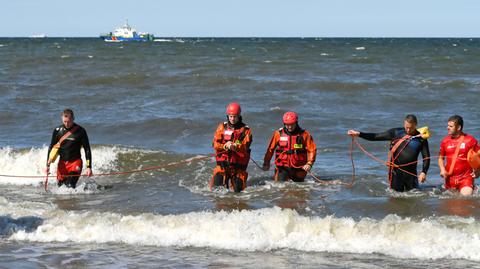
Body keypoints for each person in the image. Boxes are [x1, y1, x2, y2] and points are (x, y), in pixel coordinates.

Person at [347, 114, 430, 192]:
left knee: (414, 197)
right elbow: (376, 136)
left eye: (410, 128)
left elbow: (426, 157)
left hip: (411, 173)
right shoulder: (396, 133)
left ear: (416, 125)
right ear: (404, 124)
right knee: (395, 197)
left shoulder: (421, 138)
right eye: (406, 127)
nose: (408, 130)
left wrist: (424, 172)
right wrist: (359, 134)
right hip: (396, 172)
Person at [262, 111, 317, 182]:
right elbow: (270, 149)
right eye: (287, 125)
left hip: (299, 168)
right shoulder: (278, 134)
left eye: (292, 124)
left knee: (299, 190)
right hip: (282, 167)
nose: (290, 127)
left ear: (296, 122)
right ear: (284, 124)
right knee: (280, 188)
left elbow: (312, 150)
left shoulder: (305, 135)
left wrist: (309, 164)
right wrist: (266, 163)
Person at [210, 102, 252, 192]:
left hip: (238, 168)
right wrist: (224, 146)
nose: (232, 119)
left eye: (235, 116)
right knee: (215, 191)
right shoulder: (222, 127)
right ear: (228, 116)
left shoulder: (246, 130)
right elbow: (215, 144)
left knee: (239, 193)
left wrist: (235, 146)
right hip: (222, 166)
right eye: (231, 116)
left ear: (239, 115)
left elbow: (245, 145)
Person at [46, 109, 92, 188]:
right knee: (61, 188)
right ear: (62, 118)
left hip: (75, 162)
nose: (66, 124)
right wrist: (47, 165)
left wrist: (89, 167)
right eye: (64, 121)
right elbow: (52, 147)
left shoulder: (80, 131)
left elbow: (87, 149)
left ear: (73, 119)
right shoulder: (57, 131)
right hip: (62, 164)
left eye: (68, 121)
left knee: (70, 186)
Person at [438, 115, 480, 196]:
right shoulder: (445, 141)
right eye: (448, 125)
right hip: (450, 179)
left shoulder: (470, 140)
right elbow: (440, 158)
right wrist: (442, 169)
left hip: (466, 178)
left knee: (465, 199)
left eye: (451, 126)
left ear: (458, 127)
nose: (447, 127)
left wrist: (479, 170)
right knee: (451, 204)